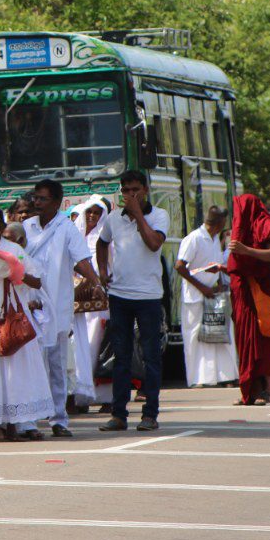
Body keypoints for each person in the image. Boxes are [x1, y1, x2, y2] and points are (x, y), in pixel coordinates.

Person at [0, 210, 55, 442]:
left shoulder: (15, 250)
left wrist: (16, 273)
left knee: (14, 372)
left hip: (10, 320)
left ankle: (16, 425)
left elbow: (36, 281)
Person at [23, 179, 100, 437]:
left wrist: (96, 282)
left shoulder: (66, 228)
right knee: (32, 365)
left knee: (56, 366)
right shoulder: (26, 227)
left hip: (56, 306)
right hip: (28, 304)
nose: (37, 202)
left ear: (57, 202)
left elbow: (82, 260)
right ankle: (29, 422)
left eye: (43, 199)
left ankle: (58, 420)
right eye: (35, 198)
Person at [96, 171, 169, 431]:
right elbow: (102, 243)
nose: (130, 195)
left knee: (150, 356)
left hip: (148, 296)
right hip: (119, 295)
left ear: (145, 190)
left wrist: (138, 215)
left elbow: (154, 244)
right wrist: (102, 271)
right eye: (126, 190)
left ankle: (150, 414)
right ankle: (118, 414)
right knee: (121, 357)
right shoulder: (113, 218)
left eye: (135, 189)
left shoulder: (159, 215)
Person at [227, 193, 270, 406]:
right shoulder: (242, 229)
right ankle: (250, 390)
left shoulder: (266, 225)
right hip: (242, 293)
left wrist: (246, 250)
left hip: (260, 293)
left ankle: (269, 389)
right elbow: (240, 265)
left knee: (261, 342)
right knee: (245, 341)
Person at [176, 205, 236, 388]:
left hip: (213, 295)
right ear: (220, 222)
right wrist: (202, 288)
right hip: (195, 296)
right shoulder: (194, 238)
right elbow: (180, 266)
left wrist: (218, 285)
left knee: (219, 334)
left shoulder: (215, 238)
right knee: (195, 338)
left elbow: (214, 265)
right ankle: (197, 379)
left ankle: (225, 376)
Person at [70, 196, 109, 412]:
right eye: (89, 212)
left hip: (98, 303)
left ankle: (103, 396)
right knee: (78, 348)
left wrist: (98, 283)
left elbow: (110, 266)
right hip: (76, 301)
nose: (92, 216)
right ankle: (80, 396)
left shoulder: (105, 237)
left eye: (97, 212)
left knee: (98, 346)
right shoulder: (75, 235)